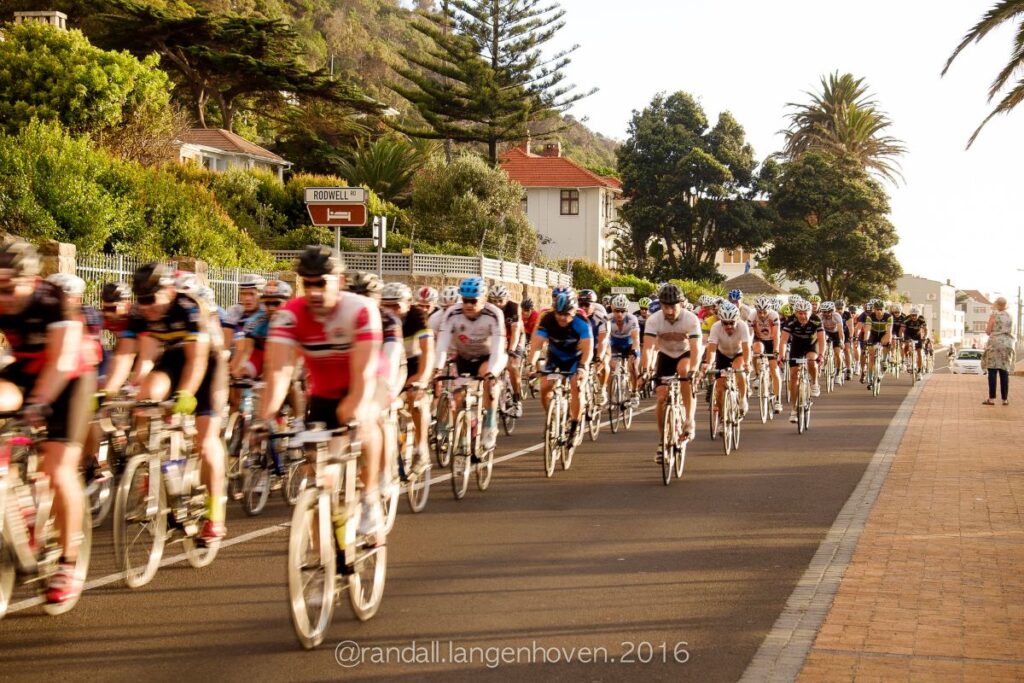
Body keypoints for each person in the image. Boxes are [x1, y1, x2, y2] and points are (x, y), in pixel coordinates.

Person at [262, 247, 385, 539]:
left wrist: (354, 410)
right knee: (317, 480)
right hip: (324, 393)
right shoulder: (288, 316)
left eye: (322, 283)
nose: (314, 291)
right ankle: (321, 572)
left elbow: (364, 375)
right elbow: (279, 372)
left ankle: (370, 497)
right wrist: (263, 418)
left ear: (339, 282)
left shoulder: (360, 310)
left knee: (358, 415)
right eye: (308, 284)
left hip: (365, 384)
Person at [0, 240, 96, 605]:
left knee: (58, 470)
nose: (3, 297)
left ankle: (68, 562)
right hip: (25, 367)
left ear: (31, 280)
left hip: (69, 376)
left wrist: (37, 406)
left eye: (9, 288)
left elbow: (60, 363)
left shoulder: (53, 302)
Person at [434, 277, 507, 450]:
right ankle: (464, 438)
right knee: (458, 399)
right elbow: (442, 344)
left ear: (483, 299)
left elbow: (497, 347)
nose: (468, 305)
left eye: (473, 301)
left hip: (488, 357)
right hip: (464, 357)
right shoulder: (452, 313)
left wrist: (492, 372)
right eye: (465, 300)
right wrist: (437, 368)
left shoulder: (494, 314)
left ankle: (490, 425)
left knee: (490, 382)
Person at [643, 283, 701, 457]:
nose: (669, 311)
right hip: (666, 355)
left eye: (673, 306)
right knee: (661, 397)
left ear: (681, 304)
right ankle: (663, 440)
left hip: (685, 353)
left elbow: (696, 348)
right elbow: (648, 348)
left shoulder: (690, 319)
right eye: (665, 306)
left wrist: (694, 370)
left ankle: (689, 419)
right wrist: (646, 369)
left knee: (684, 371)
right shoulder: (654, 320)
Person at [527, 289, 593, 443]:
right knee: (544, 387)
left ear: (573, 311)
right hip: (555, 357)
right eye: (559, 314)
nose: (562, 318)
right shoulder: (548, 319)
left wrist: (583, 367)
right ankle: (553, 417)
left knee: (576, 386)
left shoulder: (581, 322)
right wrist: (531, 364)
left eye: (566, 314)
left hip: (576, 358)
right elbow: (537, 346)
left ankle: (574, 426)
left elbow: (588, 350)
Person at [982, 297, 1015, 405]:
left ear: (997, 304)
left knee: (992, 370)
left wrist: (990, 330)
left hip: (995, 344)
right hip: (1007, 344)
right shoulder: (1010, 316)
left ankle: (991, 399)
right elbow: (1011, 331)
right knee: (1004, 371)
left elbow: (988, 331)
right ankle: (1005, 399)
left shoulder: (994, 315)